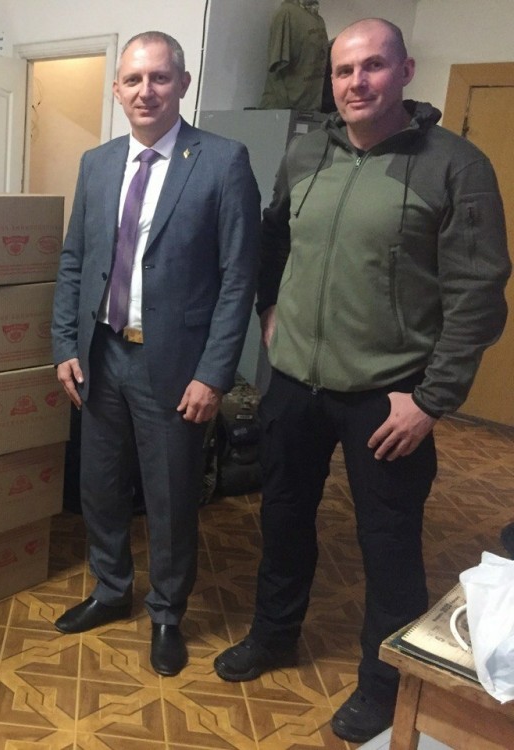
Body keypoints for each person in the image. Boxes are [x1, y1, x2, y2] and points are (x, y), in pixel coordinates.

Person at [214, 18, 510, 743]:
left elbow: (478, 294)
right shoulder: (306, 153)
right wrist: (269, 306)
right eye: (344, 70)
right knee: (284, 518)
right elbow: (274, 237)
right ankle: (272, 636)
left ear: (404, 71)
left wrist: (432, 400)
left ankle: (384, 685)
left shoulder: (455, 165)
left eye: (372, 66)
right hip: (295, 384)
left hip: (390, 396)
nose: (356, 82)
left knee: (389, 544)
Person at [50, 31, 260, 676]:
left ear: (182, 84)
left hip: (173, 367)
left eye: (160, 78)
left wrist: (213, 374)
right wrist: (64, 343)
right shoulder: (97, 163)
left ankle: (167, 611)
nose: (146, 91)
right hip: (101, 354)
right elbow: (75, 260)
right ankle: (111, 589)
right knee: (100, 484)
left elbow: (238, 278)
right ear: (117, 89)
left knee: (170, 496)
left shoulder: (221, 161)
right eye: (134, 79)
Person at [259, 0, 329, 111]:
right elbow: (276, 67)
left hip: (310, 111)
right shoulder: (286, 13)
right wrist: (285, 111)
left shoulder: (319, 20)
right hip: (282, 110)